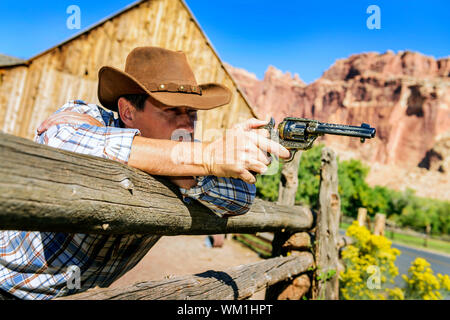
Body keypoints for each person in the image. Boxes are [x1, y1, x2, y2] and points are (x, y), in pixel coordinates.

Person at [0, 46, 290, 300]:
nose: (187, 126)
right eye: (173, 111)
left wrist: (185, 165)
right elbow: (61, 141)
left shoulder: (190, 151)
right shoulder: (87, 117)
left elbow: (241, 196)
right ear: (126, 112)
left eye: (192, 113)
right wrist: (205, 158)